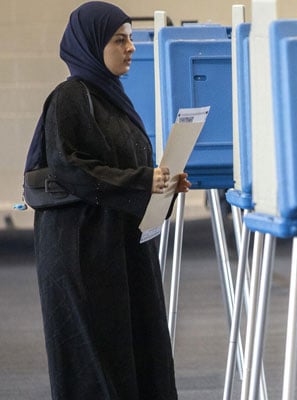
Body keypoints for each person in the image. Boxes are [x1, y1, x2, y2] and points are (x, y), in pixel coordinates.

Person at [26, 2, 188, 398]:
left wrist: (162, 184)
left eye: (131, 38)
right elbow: (70, 168)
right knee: (96, 361)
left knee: (137, 353)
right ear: (91, 45)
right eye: (120, 40)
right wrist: (140, 181)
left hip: (120, 249)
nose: (131, 47)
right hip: (84, 254)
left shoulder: (113, 100)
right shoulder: (70, 97)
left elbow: (125, 169)